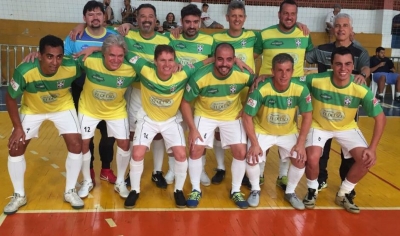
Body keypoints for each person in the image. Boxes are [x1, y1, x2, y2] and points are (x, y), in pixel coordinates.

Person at [123, 45, 213, 209]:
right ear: (155, 61)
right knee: (137, 153)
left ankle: (178, 190)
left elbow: (204, 62)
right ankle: (134, 191)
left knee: (180, 155)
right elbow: (124, 51)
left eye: (170, 60)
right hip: (147, 119)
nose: (167, 64)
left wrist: (233, 59)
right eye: (162, 60)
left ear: (175, 60)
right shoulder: (144, 68)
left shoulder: (183, 73)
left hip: (171, 120)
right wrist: (94, 48)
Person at [4, 35, 84, 215]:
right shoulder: (25, 70)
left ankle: (70, 191)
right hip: (33, 109)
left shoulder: (72, 66)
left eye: (59, 56)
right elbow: (10, 97)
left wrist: (93, 50)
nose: (55, 62)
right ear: (39, 55)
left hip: (62, 107)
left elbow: (97, 60)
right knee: (15, 148)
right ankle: (19, 195)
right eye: (49, 56)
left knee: (76, 144)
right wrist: (17, 128)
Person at [302, 47, 386, 214]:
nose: (343, 69)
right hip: (319, 125)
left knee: (366, 159)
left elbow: (381, 118)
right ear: (331, 64)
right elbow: (289, 80)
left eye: (347, 64)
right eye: (338, 64)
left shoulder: (360, 88)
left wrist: (373, 148)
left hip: (347, 127)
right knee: (312, 158)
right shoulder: (315, 80)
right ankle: (312, 190)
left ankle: (344, 193)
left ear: (353, 65)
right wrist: (265, 77)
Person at [181, 43, 254, 209]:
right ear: (214, 59)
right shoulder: (200, 77)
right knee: (195, 149)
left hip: (231, 115)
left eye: (229, 59)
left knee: (241, 151)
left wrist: (246, 107)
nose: (224, 64)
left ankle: (235, 190)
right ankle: (195, 189)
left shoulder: (242, 74)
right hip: (205, 115)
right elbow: (185, 103)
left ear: (235, 60)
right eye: (220, 59)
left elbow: (257, 84)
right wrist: (192, 129)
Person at [305, 13, 370, 195]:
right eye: (338, 25)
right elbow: (303, 53)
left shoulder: (360, 52)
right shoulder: (321, 49)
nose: (341, 29)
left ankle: (346, 183)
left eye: (345, 26)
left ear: (351, 30)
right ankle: (320, 180)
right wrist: (302, 32)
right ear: (333, 29)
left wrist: (363, 75)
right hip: (322, 108)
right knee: (321, 150)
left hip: (346, 109)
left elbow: (365, 68)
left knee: (348, 150)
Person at [242, 53, 312, 209]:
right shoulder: (261, 89)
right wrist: (254, 143)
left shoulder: (300, 89)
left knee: (300, 158)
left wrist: (301, 143)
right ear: (272, 71)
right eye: (279, 70)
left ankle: (290, 192)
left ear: (293, 71)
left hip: (288, 132)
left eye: (287, 70)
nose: (284, 74)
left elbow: (307, 116)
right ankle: (255, 189)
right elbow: (246, 116)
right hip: (263, 130)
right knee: (252, 157)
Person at [258, 0, 313, 191]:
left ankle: (282, 175)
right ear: (279, 14)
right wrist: (258, 77)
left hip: (294, 92)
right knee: (265, 127)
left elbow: (315, 57)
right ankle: (259, 173)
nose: (289, 17)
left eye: (293, 14)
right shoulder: (264, 34)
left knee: (288, 129)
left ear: (296, 16)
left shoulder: (304, 34)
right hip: (268, 89)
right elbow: (250, 55)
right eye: (286, 13)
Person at [76, 34, 136, 199]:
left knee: (124, 143)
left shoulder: (131, 69)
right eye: (111, 55)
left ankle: (120, 182)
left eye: (120, 56)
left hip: (116, 111)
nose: (116, 60)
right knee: (83, 143)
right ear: (103, 54)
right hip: (88, 109)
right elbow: (63, 61)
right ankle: (87, 180)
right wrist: (36, 56)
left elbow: (152, 67)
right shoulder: (89, 61)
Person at [164, 4, 215, 186]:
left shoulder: (210, 41)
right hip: (176, 95)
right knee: (173, 133)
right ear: (181, 22)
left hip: (201, 96)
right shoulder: (171, 37)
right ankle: (172, 169)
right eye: (187, 22)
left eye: (195, 21)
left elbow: (221, 57)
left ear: (200, 21)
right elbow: (148, 34)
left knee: (200, 134)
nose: (191, 25)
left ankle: (200, 169)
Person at [211, 0, 261, 186]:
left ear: (245, 18)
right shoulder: (217, 38)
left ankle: (247, 172)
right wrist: (236, 60)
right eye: (233, 16)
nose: (237, 19)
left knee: (248, 129)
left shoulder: (254, 36)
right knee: (219, 130)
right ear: (227, 18)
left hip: (247, 89)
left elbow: (261, 52)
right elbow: (211, 59)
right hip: (224, 89)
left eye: (240, 16)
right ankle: (221, 167)